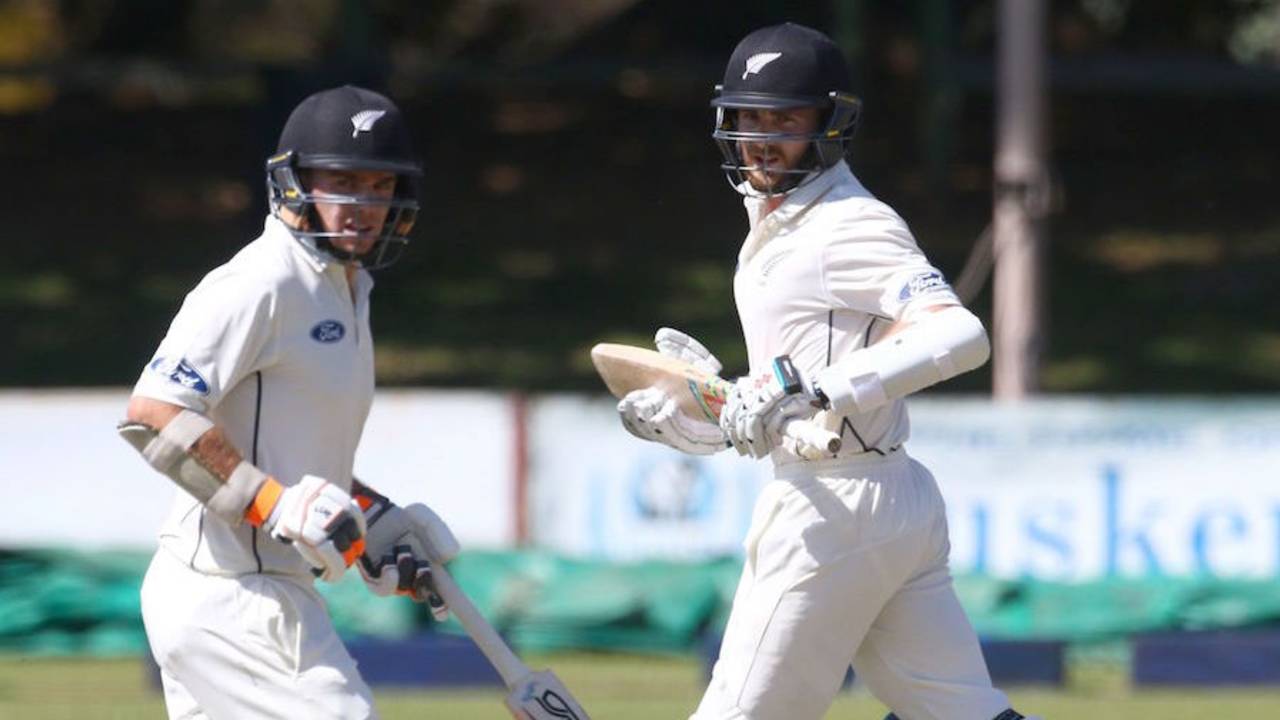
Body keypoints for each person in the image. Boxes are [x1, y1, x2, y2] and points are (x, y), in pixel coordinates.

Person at [618, 23, 1039, 720]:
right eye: (749, 118)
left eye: (784, 119)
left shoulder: (848, 223)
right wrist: (703, 419)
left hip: (837, 508)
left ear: (830, 125)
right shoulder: (777, 221)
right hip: (879, 497)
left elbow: (959, 333)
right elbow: (783, 401)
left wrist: (813, 389)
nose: (761, 137)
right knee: (962, 714)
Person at [118, 85, 460, 719]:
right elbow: (153, 414)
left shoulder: (350, 288)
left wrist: (371, 520)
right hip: (229, 592)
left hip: (263, 590)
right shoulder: (260, 283)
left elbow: (285, 446)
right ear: (294, 183)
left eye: (379, 187)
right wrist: (273, 504)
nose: (362, 205)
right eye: (342, 182)